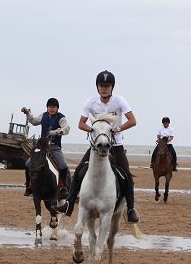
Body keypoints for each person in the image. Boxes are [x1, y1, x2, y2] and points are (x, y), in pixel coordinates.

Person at [57, 70, 140, 223]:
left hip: (115, 145)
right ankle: (69, 204)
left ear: (112, 87)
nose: (104, 88)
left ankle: (130, 209)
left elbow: (132, 120)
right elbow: (81, 124)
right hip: (97, 145)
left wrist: (117, 129)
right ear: (97, 87)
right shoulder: (91, 102)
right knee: (79, 171)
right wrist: (94, 131)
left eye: (107, 86)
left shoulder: (119, 101)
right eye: (101, 85)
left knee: (127, 176)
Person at [21, 98, 71, 196]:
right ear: (47, 107)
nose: (51, 109)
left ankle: (64, 187)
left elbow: (66, 128)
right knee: (28, 164)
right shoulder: (43, 115)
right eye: (50, 107)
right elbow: (34, 121)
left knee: (63, 165)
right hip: (42, 148)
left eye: (54, 107)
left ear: (57, 108)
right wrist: (27, 113)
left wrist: (57, 131)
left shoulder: (61, 118)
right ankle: (29, 186)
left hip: (54, 148)